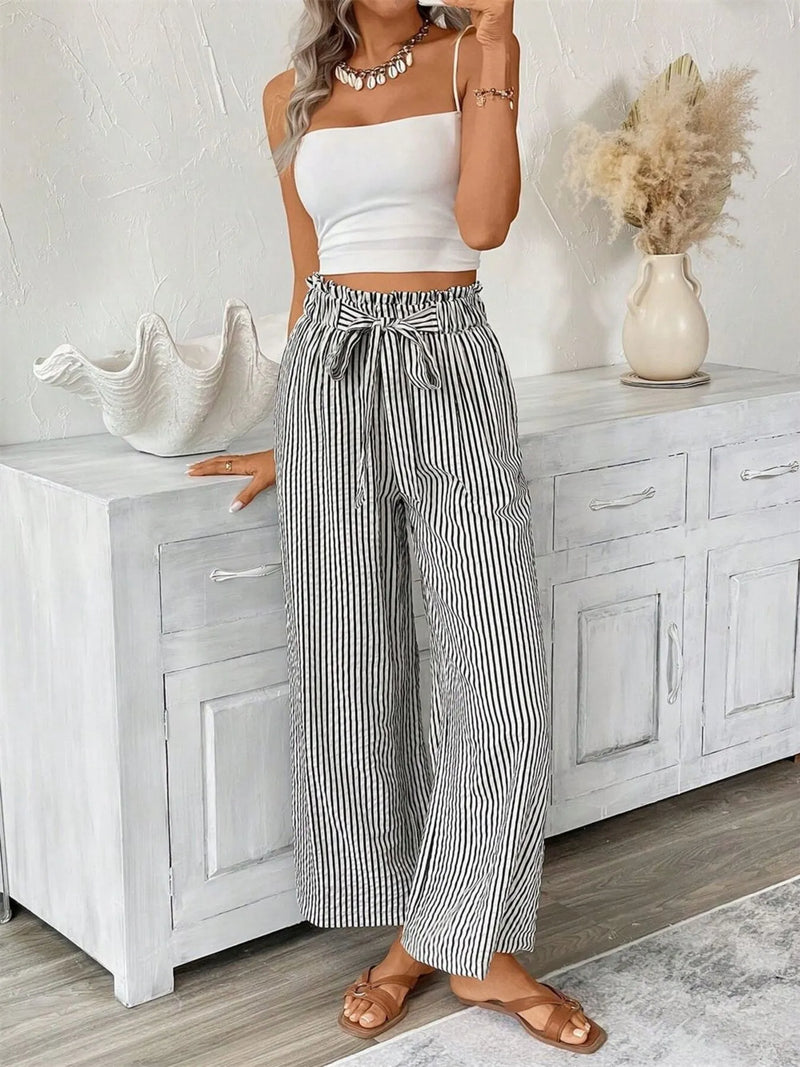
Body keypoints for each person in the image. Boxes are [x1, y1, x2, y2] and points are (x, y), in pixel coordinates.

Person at [188, 0, 606, 1054]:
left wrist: (498, 40)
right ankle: (425, 932)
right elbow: (306, 269)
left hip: (446, 353)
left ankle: (467, 944)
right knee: (352, 659)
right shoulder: (289, 95)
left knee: (495, 663)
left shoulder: (474, 53)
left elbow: (484, 223)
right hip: (328, 375)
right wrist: (290, 434)